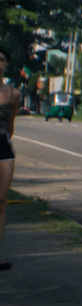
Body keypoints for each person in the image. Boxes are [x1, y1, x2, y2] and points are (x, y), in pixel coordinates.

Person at [0, 48, 20, 271]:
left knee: (1, 200)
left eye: (2, 59)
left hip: (3, 146)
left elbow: (11, 124)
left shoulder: (13, 93)